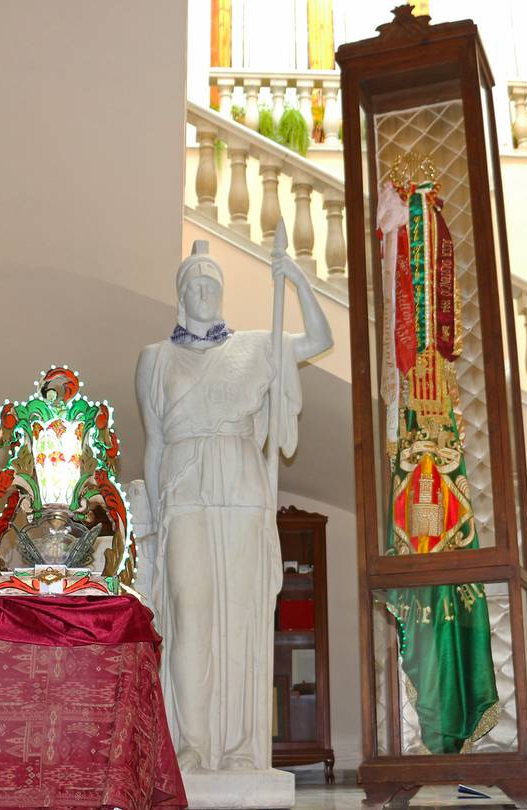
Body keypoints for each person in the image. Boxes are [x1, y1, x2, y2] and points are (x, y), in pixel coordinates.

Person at [135, 240, 331, 772]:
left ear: (221, 293)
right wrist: (152, 518)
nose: (203, 291)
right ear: (180, 297)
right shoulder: (155, 359)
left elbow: (319, 338)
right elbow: (153, 442)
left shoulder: (254, 347)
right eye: (194, 284)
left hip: (241, 483)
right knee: (189, 610)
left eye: (212, 284)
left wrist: (296, 280)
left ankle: (244, 746)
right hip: (183, 486)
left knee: (242, 615)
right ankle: (191, 745)